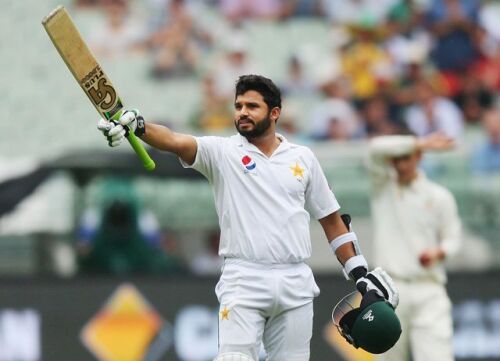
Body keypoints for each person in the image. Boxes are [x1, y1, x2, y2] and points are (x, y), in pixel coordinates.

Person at [97, 75, 398, 361]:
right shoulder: (222, 152)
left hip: (295, 280)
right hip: (244, 279)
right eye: (238, 106)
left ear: (275, 112)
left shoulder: (302, 158)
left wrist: (360, 275)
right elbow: (175, 140)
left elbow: (332, 221)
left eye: (252, 106)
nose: (242, 112)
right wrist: (138, 126)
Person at [367, 132, 462, 361]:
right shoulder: (382, 187)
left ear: (418, 158)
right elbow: (374, 147)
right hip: (390, 289)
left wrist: (439, 252)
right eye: (396, 159)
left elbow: (453, 238)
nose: (400, 165)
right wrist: (419, 142)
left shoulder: (439, 196)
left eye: (406, 158)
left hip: (429, 288)